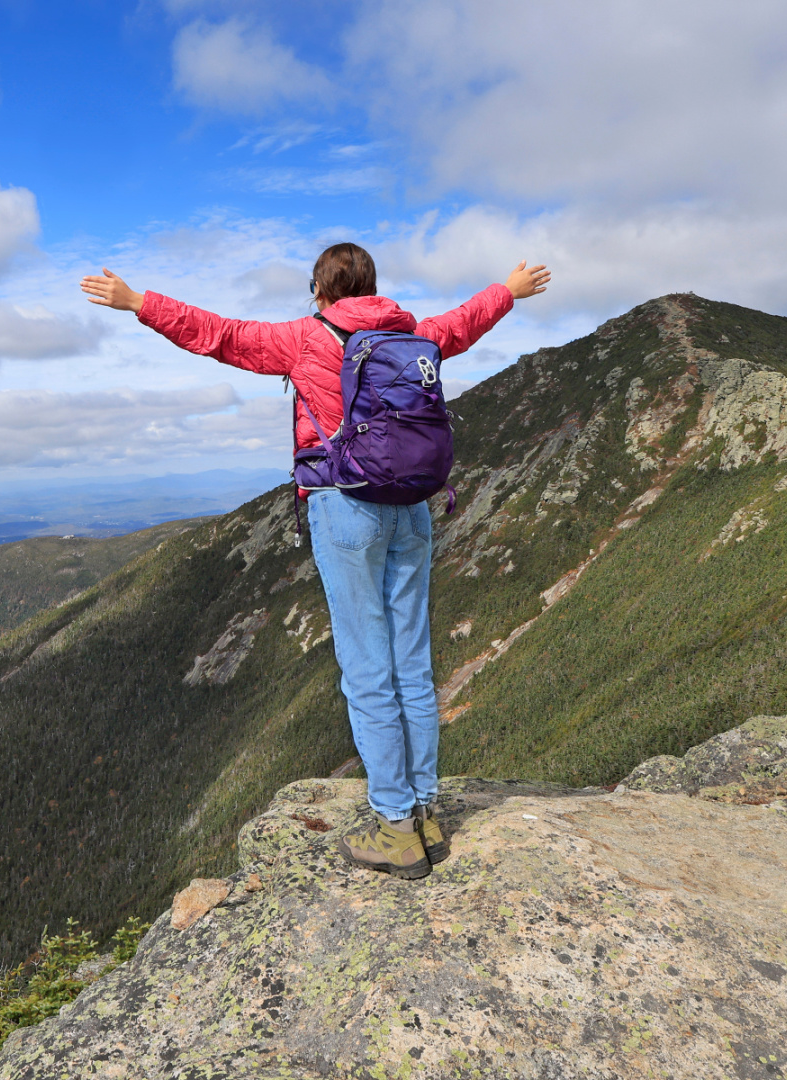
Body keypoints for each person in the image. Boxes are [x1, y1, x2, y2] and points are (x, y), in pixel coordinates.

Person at [81, 243, 549, 880]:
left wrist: (139, 302)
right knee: (411, 662)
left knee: (366, 667)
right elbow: (463, 323)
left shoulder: (309, 337)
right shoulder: (412, 334)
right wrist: (508, 289)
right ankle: (423, 809)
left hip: (346, 509)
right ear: (372, 286)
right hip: (412, 507)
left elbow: (220, 335)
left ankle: (394, 827)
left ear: (321, 290)